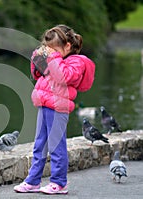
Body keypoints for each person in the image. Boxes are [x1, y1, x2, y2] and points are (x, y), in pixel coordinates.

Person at [14, 24, 95, 194]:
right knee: (39, 145)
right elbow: (38, 74)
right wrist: (37, 58)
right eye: (48, 49)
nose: (51, 53)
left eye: (54, 49)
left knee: (56, 146)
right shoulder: (56, 59)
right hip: (44, 104)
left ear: (67, 46)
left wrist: (53, 57)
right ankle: (33, 181)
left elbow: (63, 76)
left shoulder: (76, 63)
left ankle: (59, 183)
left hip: (58, 108)